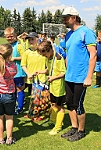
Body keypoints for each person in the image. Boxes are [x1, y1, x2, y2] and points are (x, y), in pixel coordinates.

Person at [60, 6, 97, 142]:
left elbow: (93, 55)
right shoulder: (69, 34)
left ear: (74, 17)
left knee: (78, 104)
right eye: (63, 18)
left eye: (66, 18)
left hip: (81, 77)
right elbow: (68, 54)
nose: (64, 20)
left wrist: (89, 76)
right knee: (69, 103)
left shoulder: (86, 32)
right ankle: (74, 127)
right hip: (69, 75)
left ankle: (81, 131)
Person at [37, 40, 66, 135]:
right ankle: (53, 120)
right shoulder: (49, 58)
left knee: (60, 106)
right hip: (52, 87)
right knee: (53, 103)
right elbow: (49, 70)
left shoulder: (58, 58)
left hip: (59, 88)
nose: (44, 57)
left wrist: (54, 78)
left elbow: (63, 72)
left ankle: (58, 127)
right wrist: (39, 72)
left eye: (45, 55)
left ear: (49, 50)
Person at [21, 32, 48, 121]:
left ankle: (41, 114)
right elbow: (23, 65)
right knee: (33, 97)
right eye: (29, 40)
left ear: (37, 39)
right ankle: (31, 113)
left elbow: (47, 65)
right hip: (31, 79)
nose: (30, 41)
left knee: (40, 98)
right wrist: (28, 74)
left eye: (32, 39)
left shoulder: (42, 51)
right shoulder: (27, 52)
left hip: (42, 79)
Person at [4, 27, 26, 115]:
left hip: (19, 72)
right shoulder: (7, 46)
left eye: (11, 36)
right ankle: (14, 105)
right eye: (7, 37)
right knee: (11, 90)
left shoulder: (19, 45)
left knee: (19, 89)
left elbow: (24, 57)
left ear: (15, 36)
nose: (9, 38)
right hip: (9, 72)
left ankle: (20, 107)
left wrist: (14, 59)